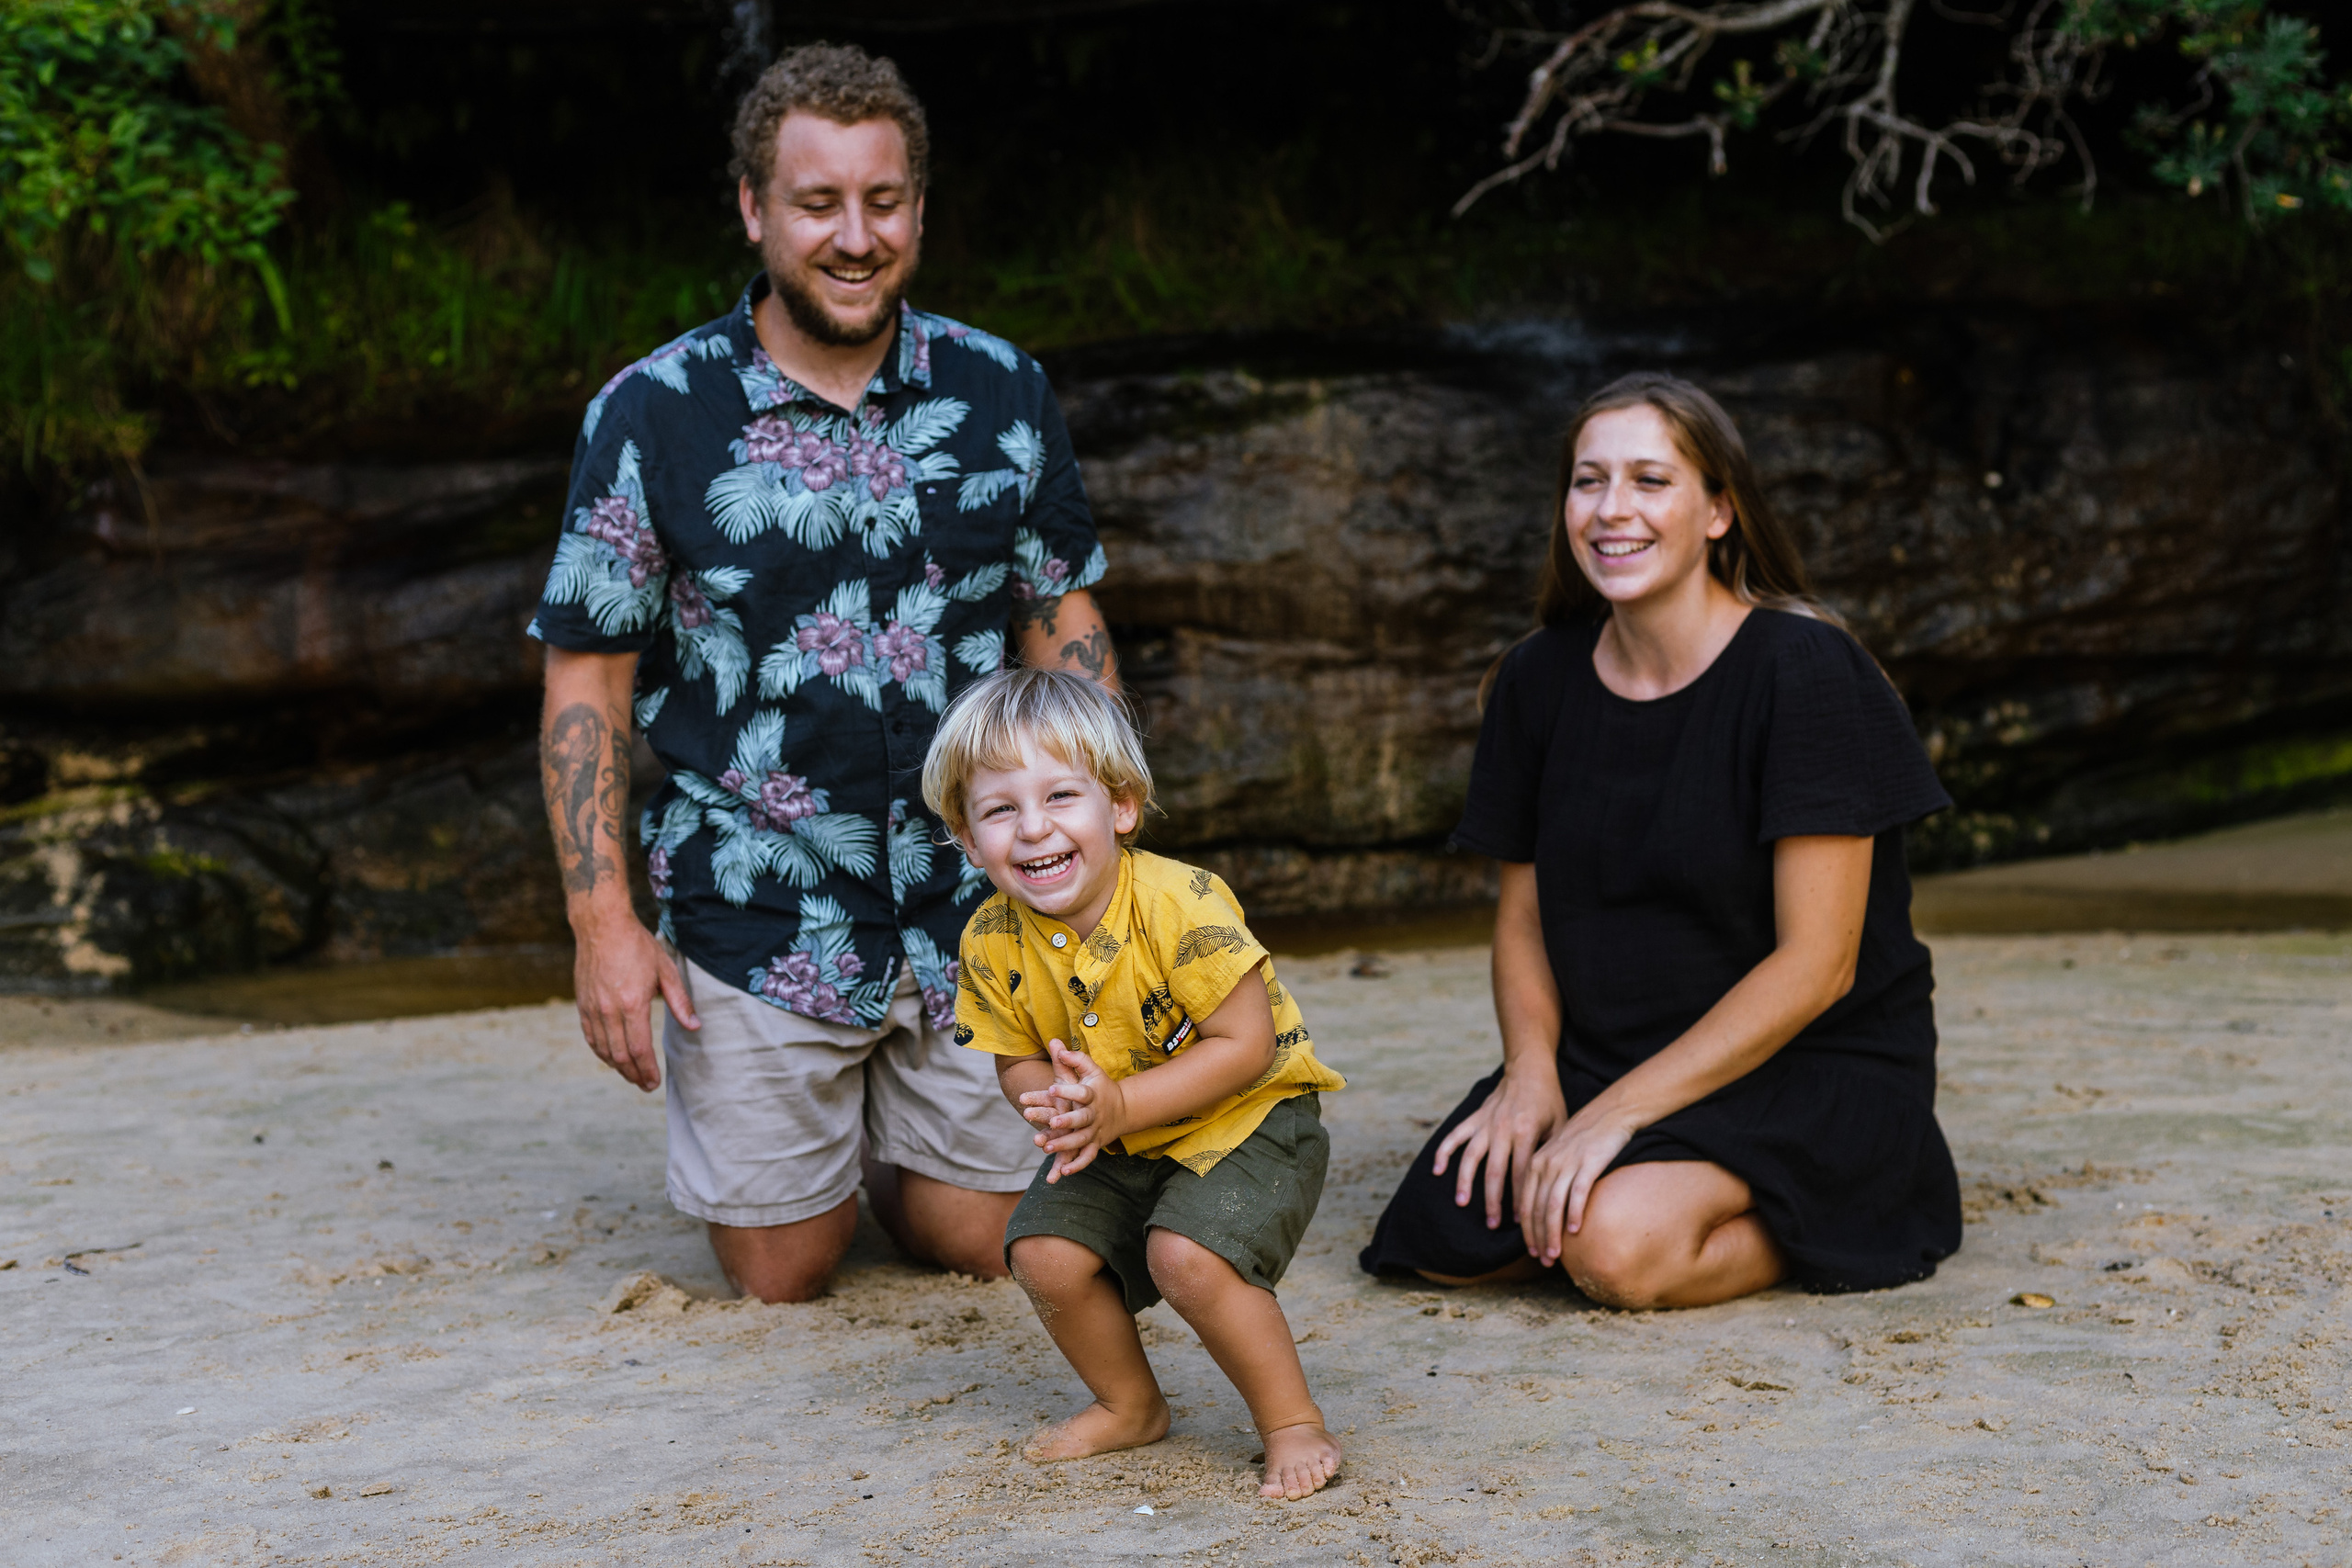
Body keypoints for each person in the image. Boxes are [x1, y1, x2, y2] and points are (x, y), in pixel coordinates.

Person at [527, 43, 1120, 1304]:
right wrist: (602, 925)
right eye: (818, 204)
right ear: (754, 209)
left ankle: (897, 1147)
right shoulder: (652, 412)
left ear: (918, 205)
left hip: (980, 901)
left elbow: (1062, 623)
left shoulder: (1001, 388)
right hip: (760, 900)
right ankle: (810, 1141)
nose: (855, 237)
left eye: (884, 201)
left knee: (984, 1235)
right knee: (784, 1267)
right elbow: (588, 679)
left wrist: (1111, 875)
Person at [1359, 372, 1962, 1306]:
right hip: (1612, 1049)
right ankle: (1642, 1173)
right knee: (1436, 1239)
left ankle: (1832, 1204)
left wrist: (1610, 1120)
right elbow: (1522, 918)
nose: (1611, 511)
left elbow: (1820, 967)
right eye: (1587, 481)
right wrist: (1528, 1078)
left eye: (1649, 481)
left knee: (1611, 1250)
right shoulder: (1536, 679)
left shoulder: (1805, 672)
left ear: (1718, 510)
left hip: (1812, 1060)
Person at [922, 668, 1349, 1500]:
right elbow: (1014, 1055)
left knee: (1185, 1256)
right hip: (1116, 1129)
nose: (1033, 827)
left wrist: (1116, 1103)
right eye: (1001, 809)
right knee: (1042, 1251)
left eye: (1061, 796)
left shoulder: (1181, 903)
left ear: (1119, 805)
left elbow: (1247, 1044)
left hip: (1250, 1117)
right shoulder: (987, 938)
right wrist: (1056, 1103)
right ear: (968, 838)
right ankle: (1129, 1403)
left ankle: (1293, 1421)